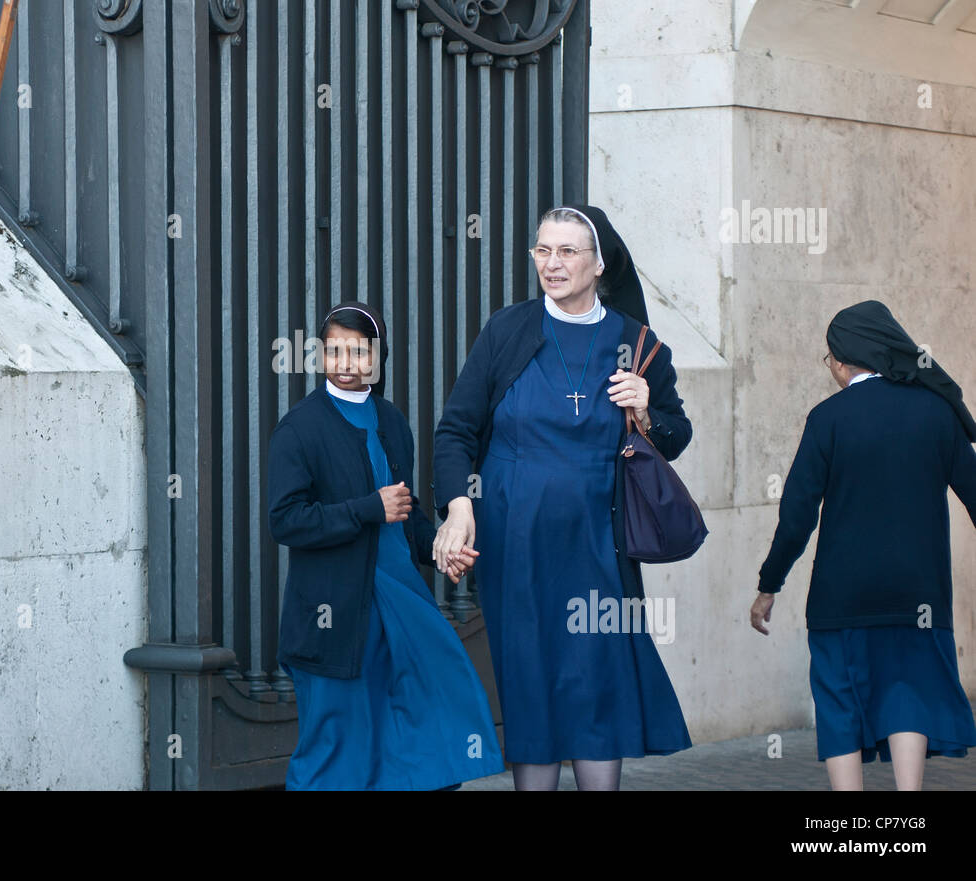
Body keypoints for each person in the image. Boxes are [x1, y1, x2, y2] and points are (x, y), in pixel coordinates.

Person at [432, 205, 693, 791]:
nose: (552, 263)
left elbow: (676, 439)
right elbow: (457, 430)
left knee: (597, 679)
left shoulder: (638, 345)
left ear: (600, 264)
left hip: (600, 541)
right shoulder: (507, 330)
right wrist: (457, 503)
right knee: (530, 679)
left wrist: (647, 410)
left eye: (568, 251)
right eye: (543, 250)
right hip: (516, 542)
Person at [267, 301, 505, 789]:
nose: (346, 363)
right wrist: (365, 509)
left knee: (428, 725)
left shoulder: (392, 421)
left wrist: (441, 548)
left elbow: (405, 514)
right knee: (336, 752)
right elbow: (286, 521)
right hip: (335, 616)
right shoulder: (299, 428)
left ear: (378, 357)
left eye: (358, 351)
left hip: (401, 606)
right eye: (334, 351)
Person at [750, 300, 976, 790]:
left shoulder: (827, 418)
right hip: (920, 594)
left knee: (840, 700)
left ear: (843, 359)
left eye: (828, 359)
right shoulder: (937, 413)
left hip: (842, 596)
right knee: (908, 695)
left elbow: (796, 517)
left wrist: (769, 585)